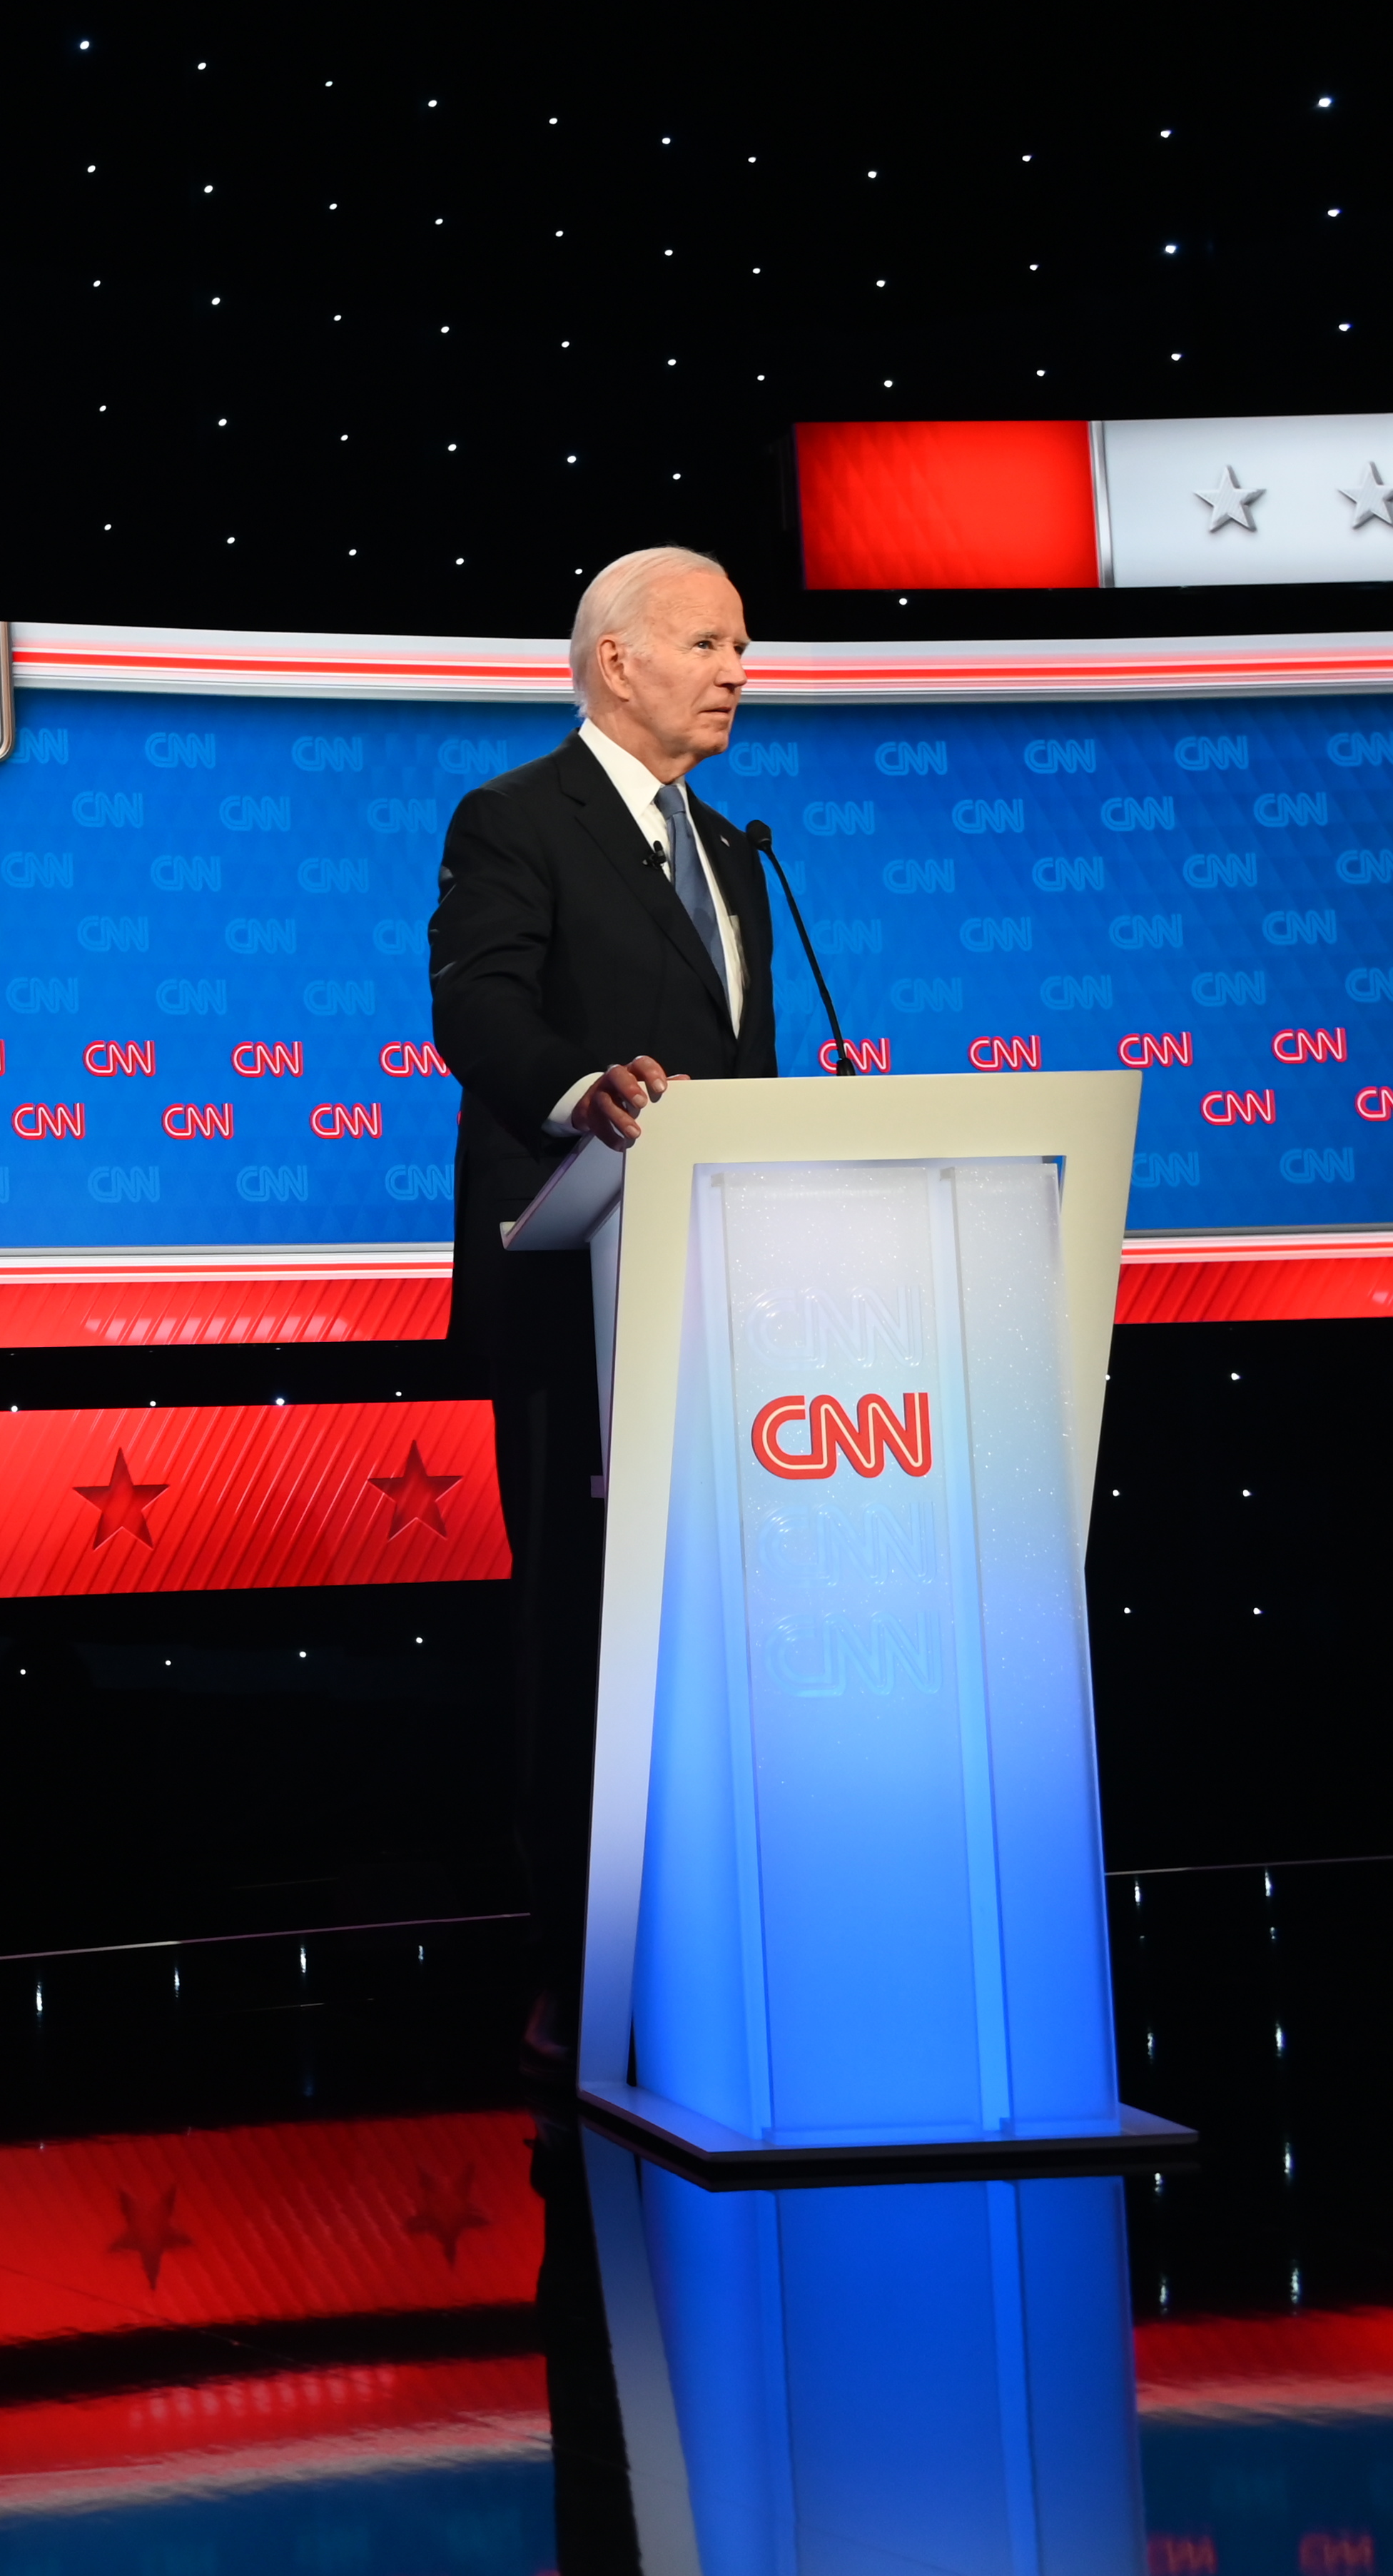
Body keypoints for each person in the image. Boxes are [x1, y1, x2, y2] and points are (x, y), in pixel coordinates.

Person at [427, 545, 778, 2076]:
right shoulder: (512, 819)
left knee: (716, 1641)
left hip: (726, 1303)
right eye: (707, 643)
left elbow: (740, 1071)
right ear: (615, 660)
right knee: (575, 1634)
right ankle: (574, 1968)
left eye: (740, 646)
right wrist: (584, 1095)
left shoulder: (736, 849)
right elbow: (477, 1011)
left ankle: (726, 1945)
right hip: (576, 1286)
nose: (735, 669)